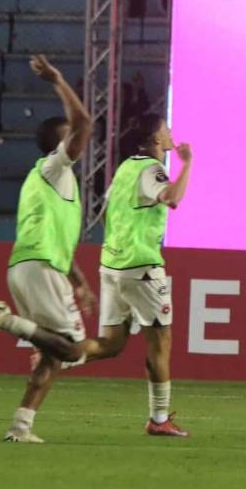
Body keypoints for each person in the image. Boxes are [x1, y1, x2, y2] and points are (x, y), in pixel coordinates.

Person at [0, 55, 94, 443]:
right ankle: (6, 321)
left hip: (31, 264)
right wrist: (57, 80)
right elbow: (86, 122)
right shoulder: (55, 167)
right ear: (61, 142)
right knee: (75, 351)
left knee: (53, 356)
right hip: (39, 267)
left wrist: (80, 280)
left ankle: (20, 427)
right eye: (70, 134)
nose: (80, 138)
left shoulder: (48, 181)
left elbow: (54, 237)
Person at [73, 115, 194, 436]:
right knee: (160, 340)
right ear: (155, 139)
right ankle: (159, 419)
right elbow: (172, 198)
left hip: (112, 265)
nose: (170, 133)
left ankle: (58, 355)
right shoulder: (152, 169)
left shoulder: (124, 169)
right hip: (140, 268)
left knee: (112, 344)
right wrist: (187, 164)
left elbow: (105, 214)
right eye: (166, 129)